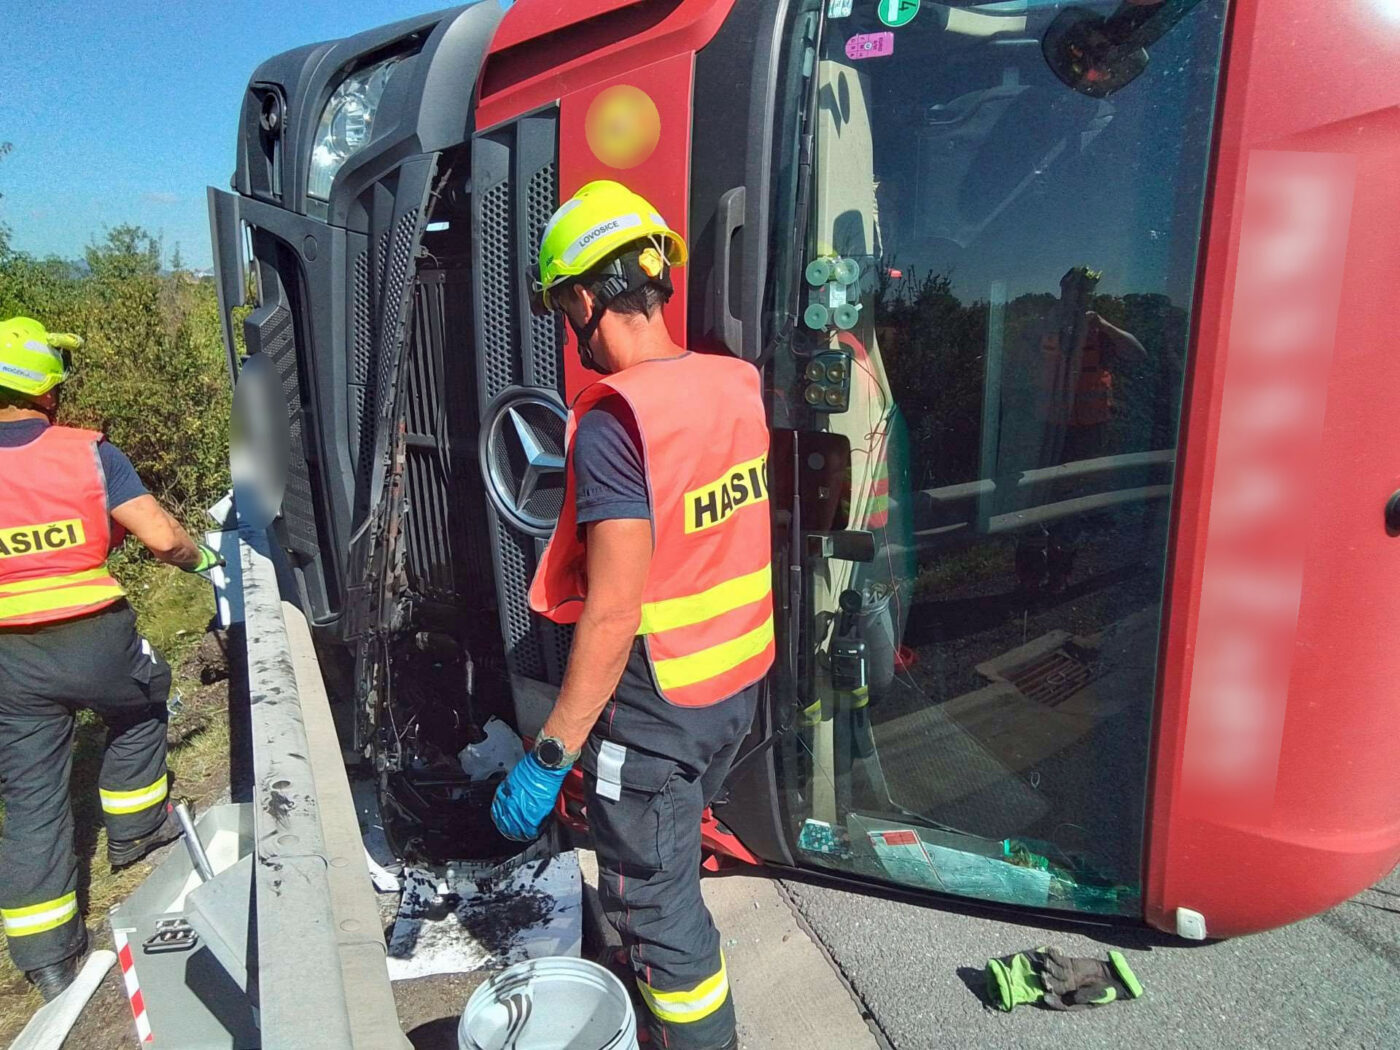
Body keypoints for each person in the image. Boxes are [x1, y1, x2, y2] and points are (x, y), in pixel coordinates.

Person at [490, 181, 773, 1050]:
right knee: (669, 865)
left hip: (659, 713)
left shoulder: (620, 421)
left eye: (559, 303)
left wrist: (549, 754)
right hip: (734, 688)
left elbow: (612, 615)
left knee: (655, 909)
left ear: (583, 298)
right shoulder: (733, 384)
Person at [0, 317, 223, 1000]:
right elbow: (161, 537)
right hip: (97, 633)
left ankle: (46, 958)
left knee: (31, 795)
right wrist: (204, 561)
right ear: (48, 391)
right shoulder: (87, 452)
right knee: (144, 699)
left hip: (10, 652)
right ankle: (133, 830)